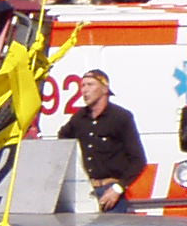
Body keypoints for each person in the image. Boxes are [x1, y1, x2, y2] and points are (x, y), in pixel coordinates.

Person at [57, 69, 145, 211]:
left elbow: (138, 160)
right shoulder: (79, 118)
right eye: (82, 86)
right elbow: (62, 139)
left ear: (104, 89)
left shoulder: (121, 117)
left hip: (110, 192)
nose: (84, 90)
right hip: (85, 192)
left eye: (90, 85)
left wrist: (118, 188)